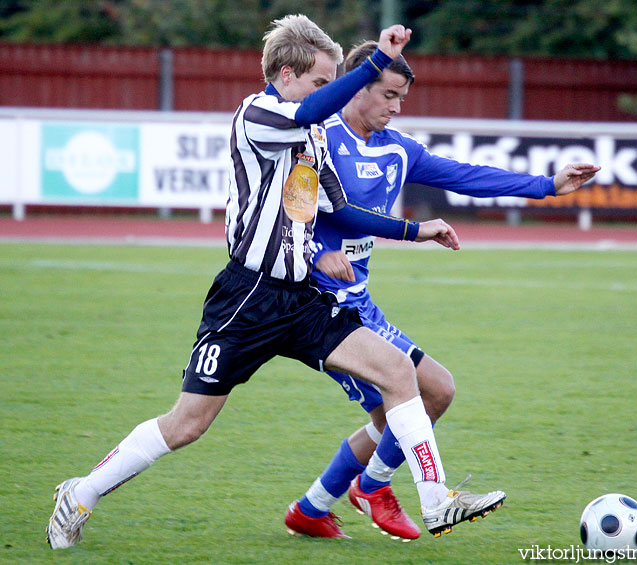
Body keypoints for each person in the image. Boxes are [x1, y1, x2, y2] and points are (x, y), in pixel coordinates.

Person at [46, 15, 486, 550]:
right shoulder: (258, 113)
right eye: (323, 81)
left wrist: (414, 231)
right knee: (187, 424)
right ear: (285, 73)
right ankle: (81, 493)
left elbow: (341, 211)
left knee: (398, 372)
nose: (332, 94)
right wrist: (374, 61)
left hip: (303, 301)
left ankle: (436, 499)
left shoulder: (312, 135)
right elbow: (309, 111)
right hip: (247, 298)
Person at [284, 41, 601, 540]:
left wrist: (546, 185)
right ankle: (373, 489)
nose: (396, 107)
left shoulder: (398, 149)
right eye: (389, 95)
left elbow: (465, 176)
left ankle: (314, 506)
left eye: (402, 99)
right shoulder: (317, 140)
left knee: (415, 404)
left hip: (360, 302)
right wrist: (314, 253)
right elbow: (283, 211)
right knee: (423, 395)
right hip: (319, 309)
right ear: (357, 86)